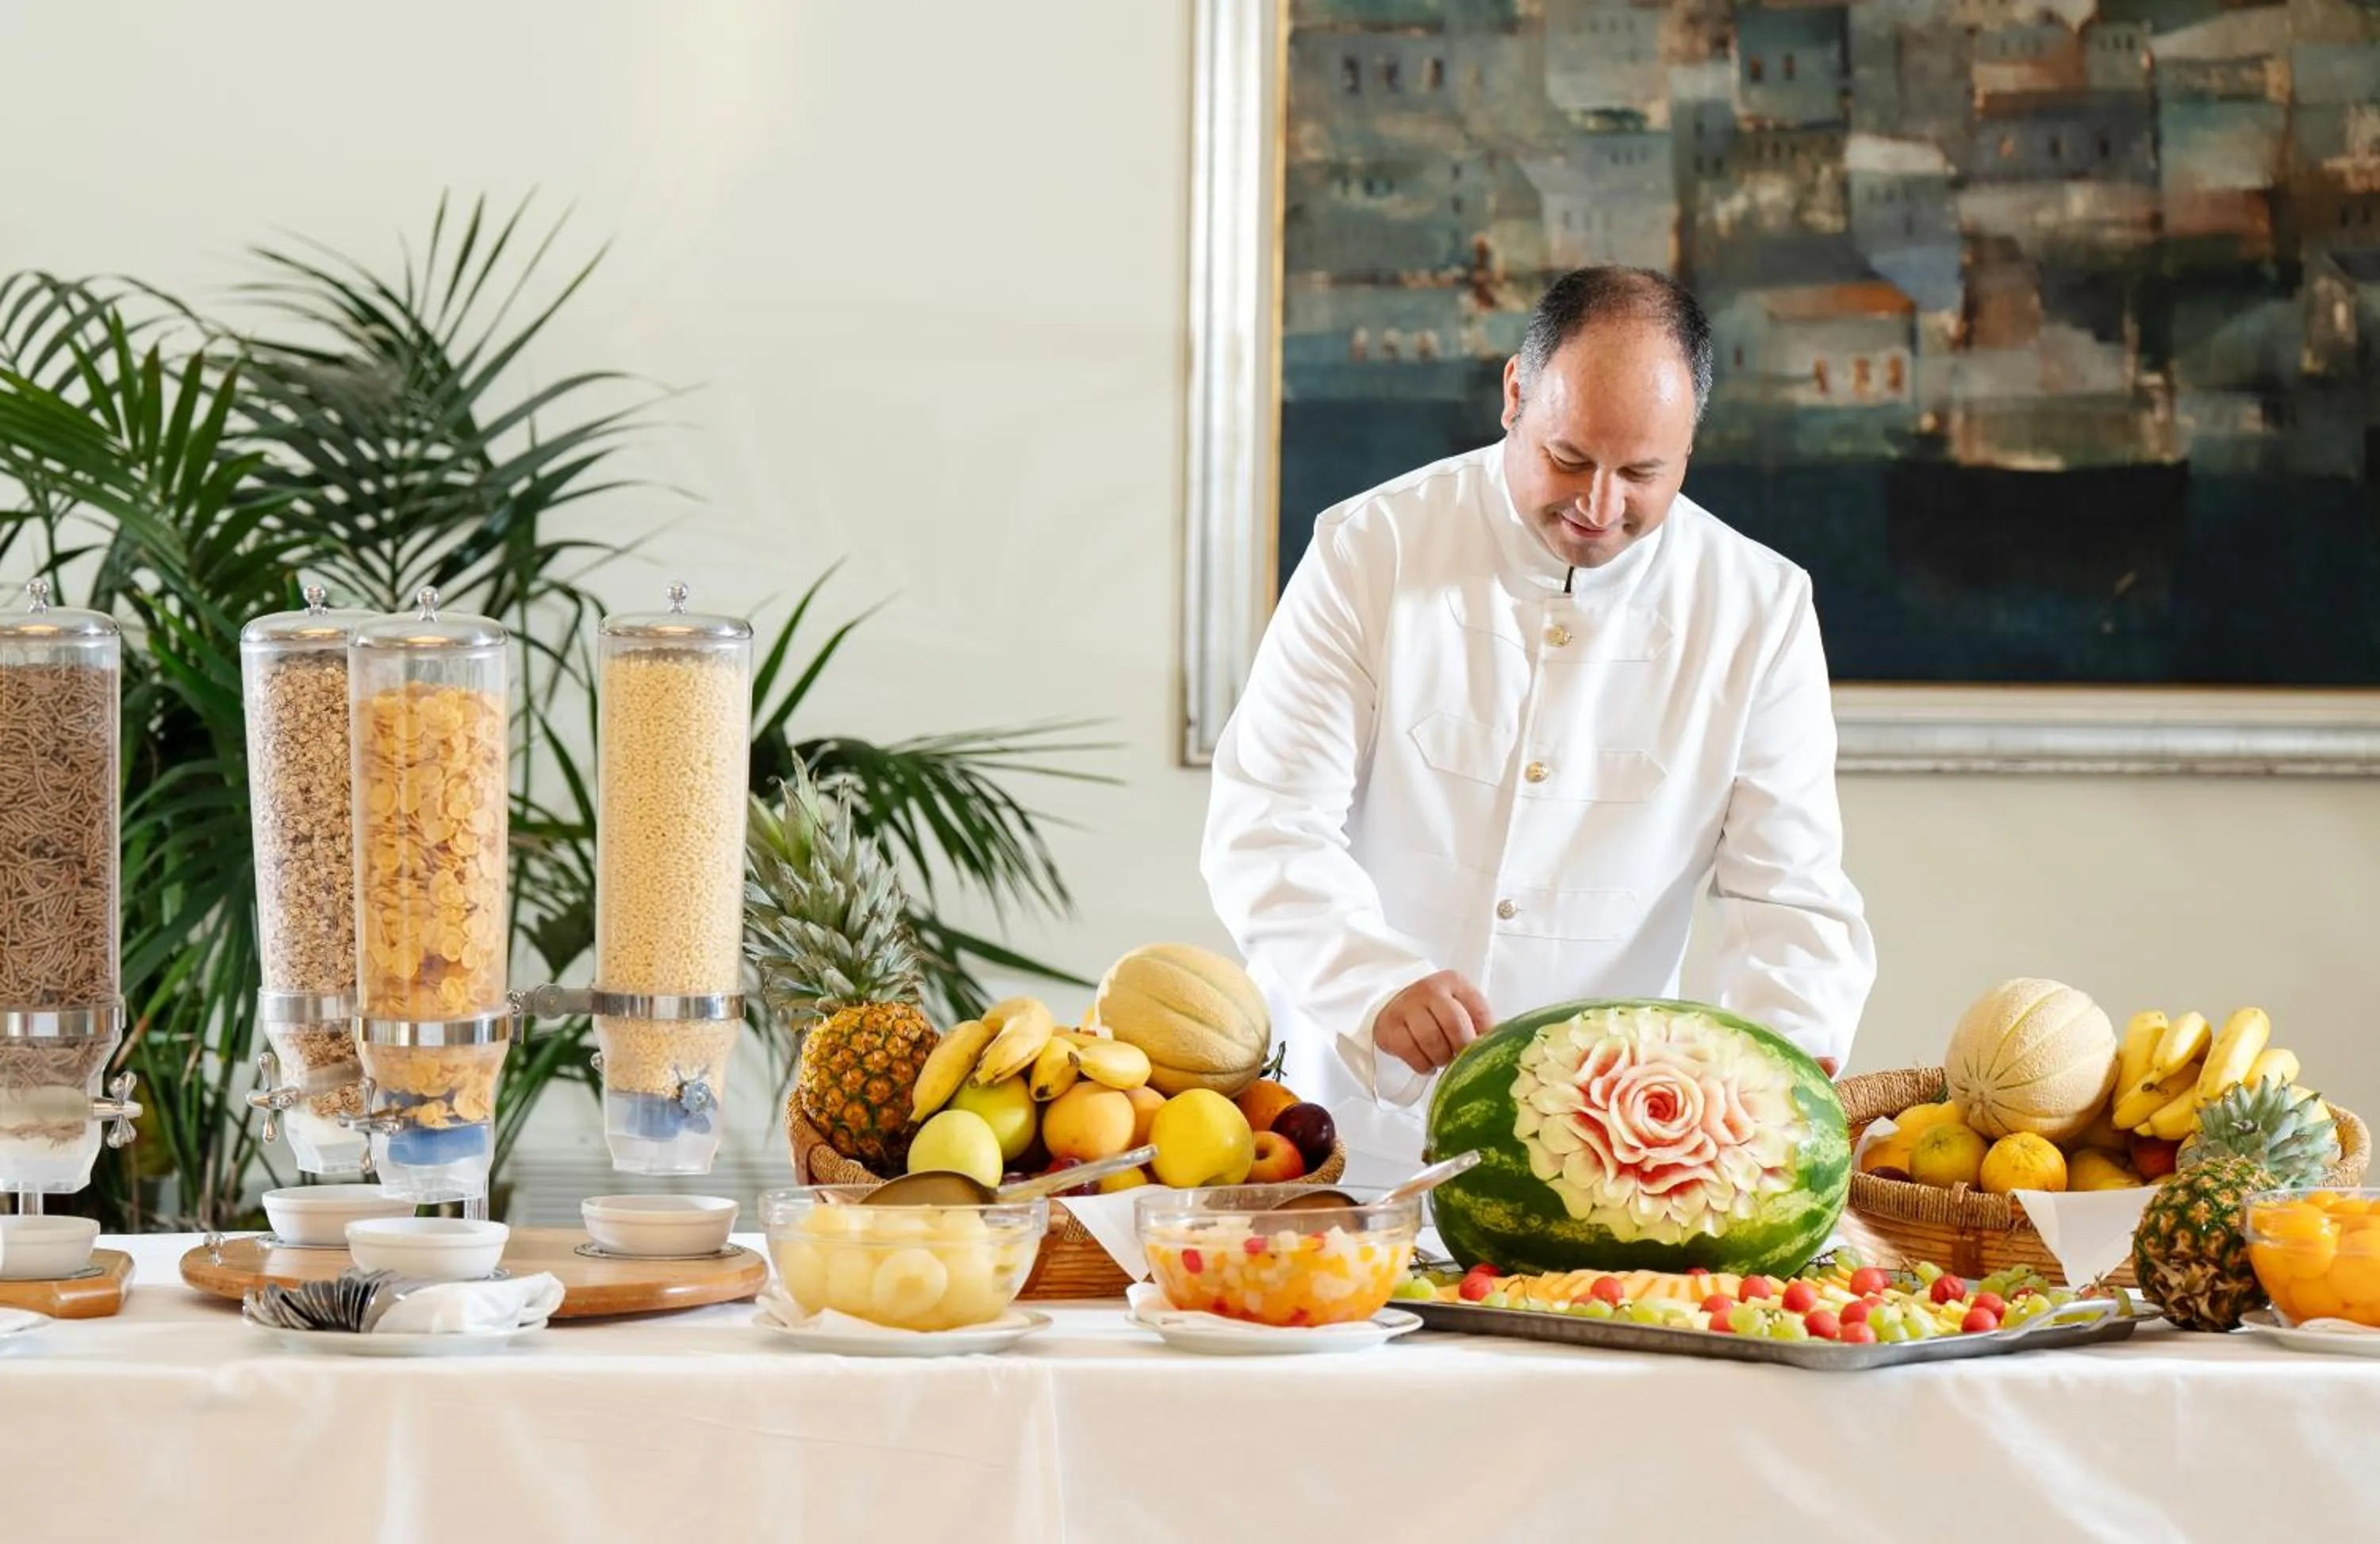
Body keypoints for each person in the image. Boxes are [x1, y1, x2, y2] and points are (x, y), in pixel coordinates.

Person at [1200, 266, 1875, 1186]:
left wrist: (1766, 1090)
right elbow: (1266, 822)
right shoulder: (1372, 549)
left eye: (1642, 474)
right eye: (1568, 458)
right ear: (1516, 393)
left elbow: (1791, 900)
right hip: (1338, 1126)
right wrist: (1375, 981)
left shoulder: (1759, 608)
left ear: (1689, 445)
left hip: (1610, 1157)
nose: (1600, 508)